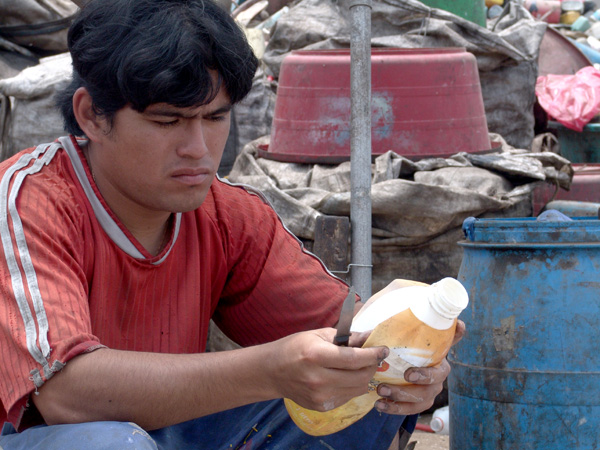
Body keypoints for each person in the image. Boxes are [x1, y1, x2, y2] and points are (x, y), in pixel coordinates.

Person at [0, 0, 464, 448]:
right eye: (167, 121)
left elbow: (353, 338)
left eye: (215, 117)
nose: (198, 148)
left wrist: (402, 362)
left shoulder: (229, 216)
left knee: (350, 398)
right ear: (91, 116)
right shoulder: (28, 199)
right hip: (43, 438)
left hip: (164, 433)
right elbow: (63, 393)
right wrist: (267, 369)